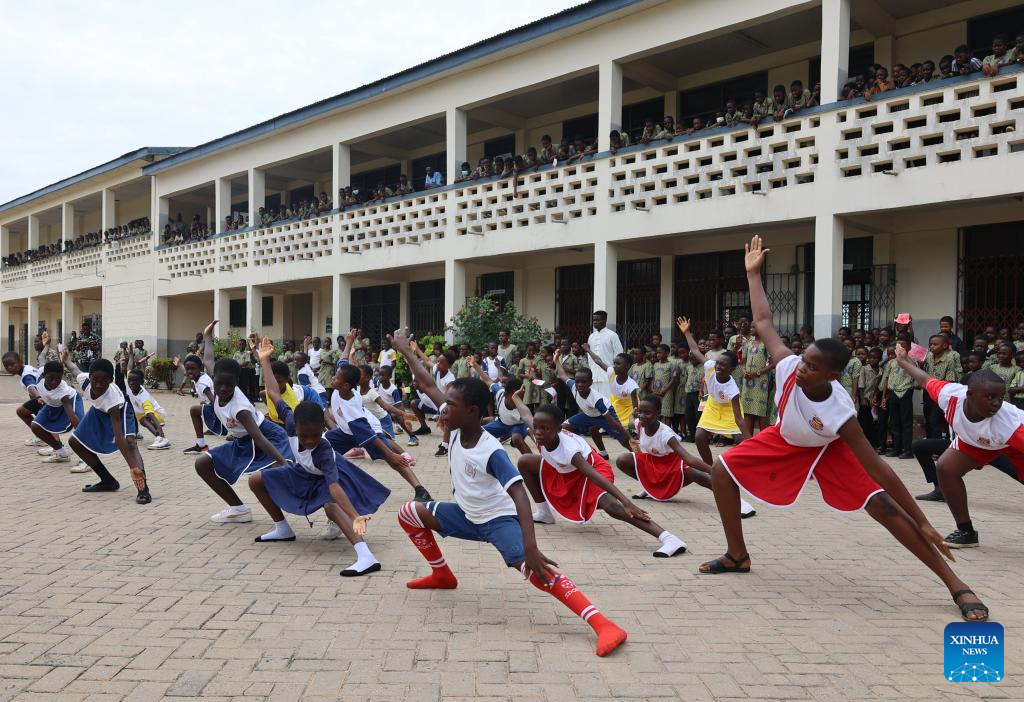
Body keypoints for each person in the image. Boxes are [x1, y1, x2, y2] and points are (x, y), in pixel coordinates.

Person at [697, 236, 988, 622]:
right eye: (804, 360)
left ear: (832, 376)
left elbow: (879, 468)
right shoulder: (788, 366)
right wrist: (753, 275)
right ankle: (737, 555)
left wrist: (922, 520)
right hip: (786, 438)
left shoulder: (840, 411)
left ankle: (956, 585)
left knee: (882, 505)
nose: (802, 367)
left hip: (828, 447)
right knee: (721, 469)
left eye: (812, 367)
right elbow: (764, 321)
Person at [389, 329, 627, 657]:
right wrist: (406, 351)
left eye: (450, 406)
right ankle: (442, 575)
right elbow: (428, 383)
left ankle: (603, 624)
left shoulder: (490, 450)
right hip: (466, 515)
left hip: (498, 520)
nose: (443, 410)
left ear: (472, 411)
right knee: (408, 514)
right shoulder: (457, 424)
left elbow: (519, 496)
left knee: (537, 571)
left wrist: (531, 547)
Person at [250, 338, 388, 575]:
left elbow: (334, 487)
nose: (310, 440)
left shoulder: (323, 450)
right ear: (295, 427)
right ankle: (283, 529)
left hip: (327, 477)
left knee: (331, 507)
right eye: (304, 436)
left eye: (315, 435)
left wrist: (355, 516)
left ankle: (366, 556)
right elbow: (273, 392)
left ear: (322, 430)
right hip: (303, 472)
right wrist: (264, 361)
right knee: (256, 480)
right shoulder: (291, 420)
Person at [516, 401, 689, 560]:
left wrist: (627, 502)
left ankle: (669, 538)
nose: (538, 432)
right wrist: (514, 396)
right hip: (567, 470)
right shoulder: (538, 431)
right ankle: (544, 513)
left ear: (558, 429)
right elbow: (525, 413)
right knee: (525, 462)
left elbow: (592, 475)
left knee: (611, 506)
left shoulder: (569, 450)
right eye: (536, 427)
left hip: (594, 468)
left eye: (544, 428)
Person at [892, 345, 1023, 551]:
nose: (997, 403)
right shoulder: (949, 395)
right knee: (945, 468)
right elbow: (924, 379)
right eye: (990, 397)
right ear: (969, 394)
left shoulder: (1011, 424)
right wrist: (903, 361)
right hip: (973, 441)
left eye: (1000, 397)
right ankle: (966, 532)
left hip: (1010, 444)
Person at [193, 320, 295, 524]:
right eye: (219, 383)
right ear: (213, 379)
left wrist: (285, 464)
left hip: (268, 439)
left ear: (236, 383)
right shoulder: (217, 380)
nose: (223, 389)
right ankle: (238, 509)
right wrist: (207, 337)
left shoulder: (240, 409)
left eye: (228, 385)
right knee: (202, 463)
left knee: (271, 479)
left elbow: (259, 438)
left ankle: (290, 518)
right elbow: (209, 360)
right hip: (244, 441)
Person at [325, 331, 431, 502]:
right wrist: (349, 341)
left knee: (393, 460)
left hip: (370, 430)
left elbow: (369, 435)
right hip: (346, 432)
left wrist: (390, 455)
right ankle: (329, 482)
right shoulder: (342, 385)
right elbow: (343, 360)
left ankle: (421, 490)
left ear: (345, 385)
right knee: (322, 445)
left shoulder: (352, 408)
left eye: (335, 378)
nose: (332, 378)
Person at [62, 352, 152, 505]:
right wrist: (66, 360)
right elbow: (74, 369)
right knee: (75, 442)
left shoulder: (113, 399)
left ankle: (143, 488)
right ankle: (107, 480)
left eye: (104, 382)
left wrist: (132, 467)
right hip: (99, 410)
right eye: (95, 380)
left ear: (111, 381)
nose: (98, 385)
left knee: (130, 443)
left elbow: (119, 437)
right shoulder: (84, 380)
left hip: (120, 411)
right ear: (89, 377)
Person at [677, 318, 749, 466]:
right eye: (718, 363)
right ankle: (710, 469)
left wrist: (751, 441)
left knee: (739, 440)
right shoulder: (710, 366)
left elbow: (739, 418)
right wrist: (687, 332)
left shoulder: (732, 389)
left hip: (729, 408)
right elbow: (695, 350)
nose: (718, 366)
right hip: (712, 404)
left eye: (723, 365)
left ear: (732, 369)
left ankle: (740, 466)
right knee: (699, 437)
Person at [552, 350, 631, 458]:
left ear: (590, 382)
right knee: (564, 428)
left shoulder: (596, 400)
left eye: (583, 382)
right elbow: (562, 374)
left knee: (622, 438)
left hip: (604, 416)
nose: (579, 384)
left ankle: (637, 454)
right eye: (577, 381)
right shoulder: (573, 386)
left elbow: (612, 421)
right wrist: (556, 360)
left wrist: (629, 437)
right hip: (589, 414)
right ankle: (603, 453)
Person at [23, 359, 85, 465]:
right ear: (43, 375)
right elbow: (41, 358)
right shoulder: (39, 373)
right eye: (50, 378)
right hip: (53, 403)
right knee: (35, 426)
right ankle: (62, 453)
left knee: (80, 427)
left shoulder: (63, 391)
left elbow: (72, 417)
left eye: (58, 379)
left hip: (71, 400)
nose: (54, 382)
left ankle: (86, 459)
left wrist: (80, 432)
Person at [583, 347, 639, 433]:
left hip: (628, 406)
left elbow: (635, 408)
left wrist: (634, 420)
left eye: (618, 364)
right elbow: (598, 360)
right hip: (615, 402)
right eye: (614, 363)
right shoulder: (611, 372)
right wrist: (588, 350)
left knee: (627, 426)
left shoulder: (631, 386)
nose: (615, 366)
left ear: (627, 366)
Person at [879, 335, 915, 459]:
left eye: (902, 346)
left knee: (906, 422)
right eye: (897, 346)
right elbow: (886, 379)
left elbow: (914, 370)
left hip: (905, 393)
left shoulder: (911, 360)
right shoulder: (891, 362)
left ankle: (907, 450)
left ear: (909, 348)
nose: (899, 348)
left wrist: (904, 357)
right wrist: (884, 397)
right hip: (893, 393)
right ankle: (896, 448)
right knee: (895, 423)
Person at [124, 368, 171, 451]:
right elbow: (129, 367)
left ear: (141, 382)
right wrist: (130, 358)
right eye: (129, 380)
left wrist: (158, 427)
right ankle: (160, 438)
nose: (131, 383)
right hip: (144, 413)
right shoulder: (130, 384)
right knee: (140, 417)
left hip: (157, 415)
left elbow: (150, 413)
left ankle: (162, 439)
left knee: (143, 419)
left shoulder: (144, 397)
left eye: (134, 381)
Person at [738, 326, 773, 436]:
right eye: (751, 327)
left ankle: (763, 439)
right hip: (747, 380)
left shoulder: (767, 343)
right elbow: (743, 361)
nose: (751, 329)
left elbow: (772, 364)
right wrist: (744, 371)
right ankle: (749, 439)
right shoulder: (748, 343)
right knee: (747, 410)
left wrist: (757, 373)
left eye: (754, 327)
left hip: (761, 381)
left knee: (761, 410)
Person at [587, 311, 623, 401]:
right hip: (594, 376)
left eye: (597, 320)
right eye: (594, 320)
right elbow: (589, 357)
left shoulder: (612, 335)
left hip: (608, 376)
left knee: (608, 401)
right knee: (595, 402)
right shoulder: (591, 337)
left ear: (605, 320)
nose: (595, 322)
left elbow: (619, 355)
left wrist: (615, 373)